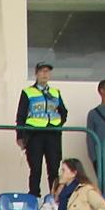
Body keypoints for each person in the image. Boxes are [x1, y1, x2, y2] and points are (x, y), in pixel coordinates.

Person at [15, 63, 66, 196]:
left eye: (47, 72)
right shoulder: (28, 92)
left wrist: (58, 124)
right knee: (35, 168)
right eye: (42, 71)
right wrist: (20, 135)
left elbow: (64, 112)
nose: (45, 74)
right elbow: (21, 114)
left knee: (54, 168)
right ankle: (34, 195)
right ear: (36, 74)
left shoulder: (55, 92)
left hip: (52, 134)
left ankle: (55, 196)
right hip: (34, 134)